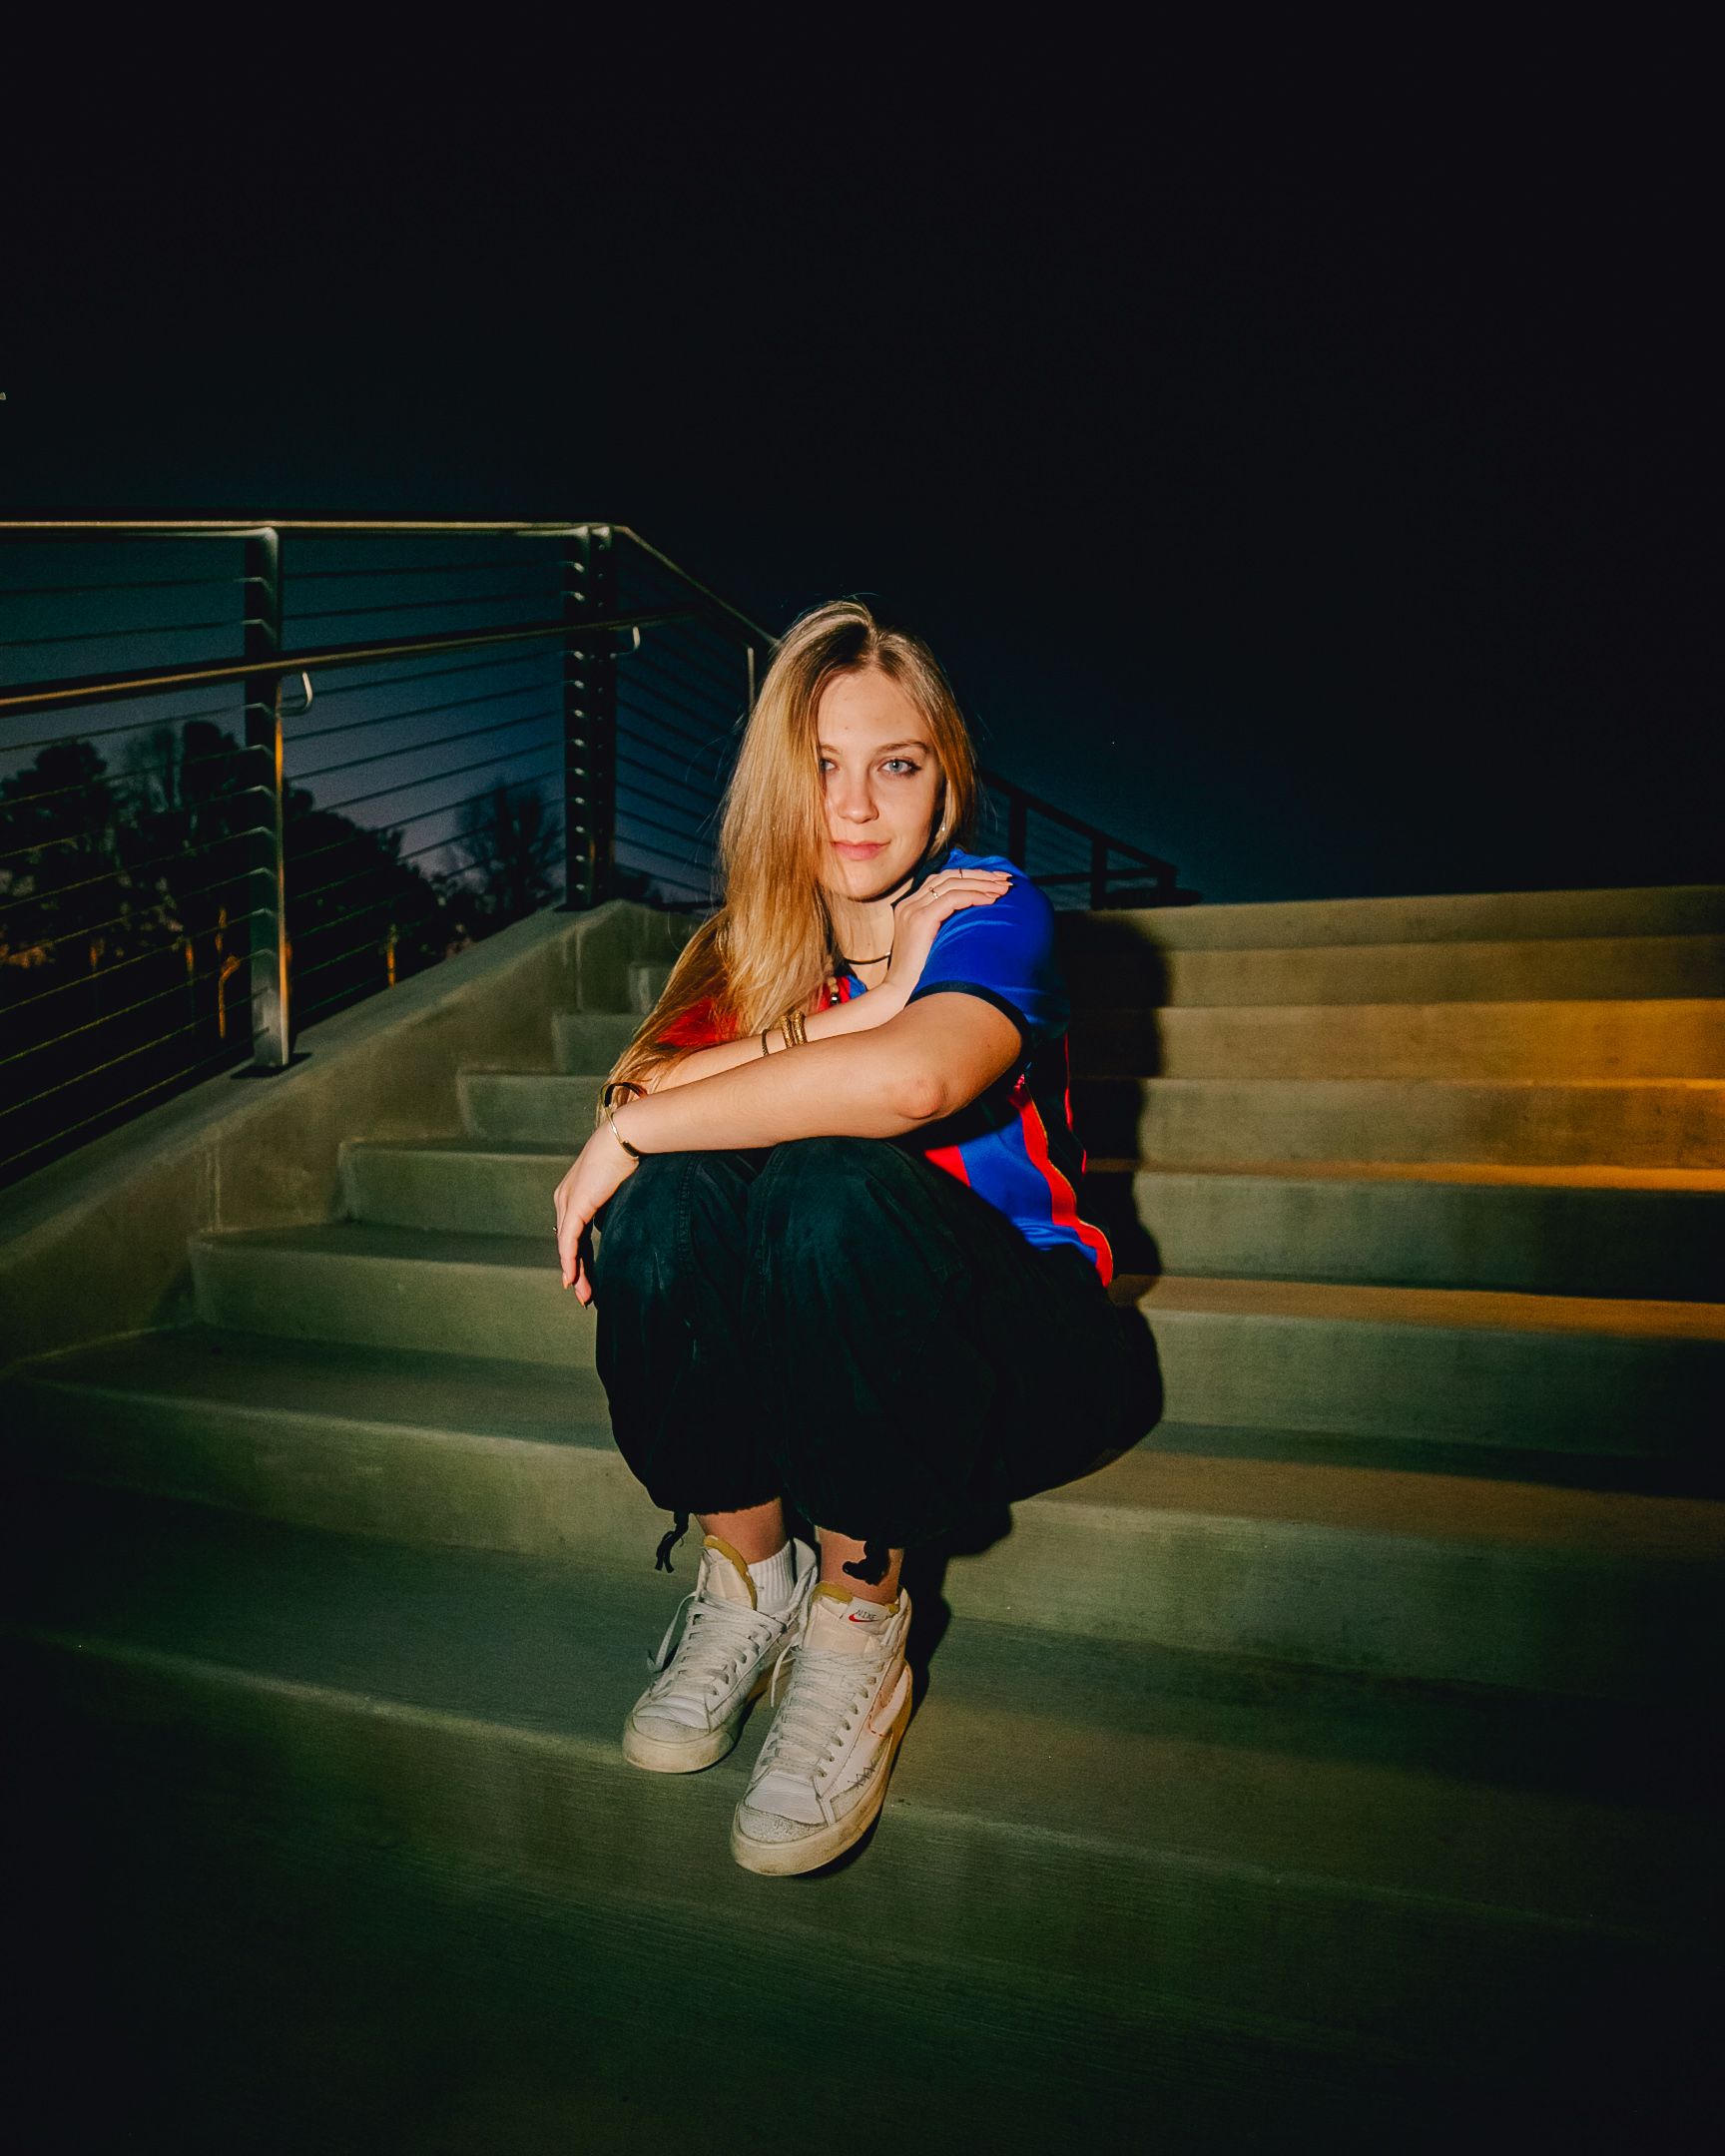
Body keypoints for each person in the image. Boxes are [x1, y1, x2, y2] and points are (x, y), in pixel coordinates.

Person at [552, 599, 1144, 1878]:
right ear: (778, 783)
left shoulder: (988, 904)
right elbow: (642, 1097)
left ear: (945, 789)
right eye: (822, 765)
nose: (858, 807)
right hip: (824, 1352)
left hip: (1018, 1354)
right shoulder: (748, 950)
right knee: (665, 1202)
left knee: (826, 1176)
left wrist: (647, 1116)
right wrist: (862, 1004)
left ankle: (860, 1620)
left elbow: (913, 1083)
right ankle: (750, 1580)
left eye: (897, 765)